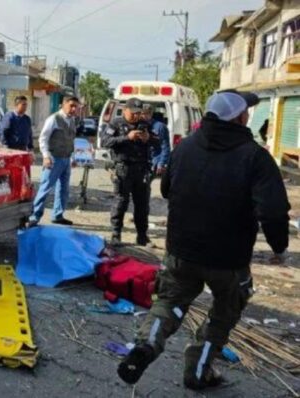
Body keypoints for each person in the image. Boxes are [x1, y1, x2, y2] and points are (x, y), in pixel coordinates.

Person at [117, 91, 290, 391]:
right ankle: (197, 371)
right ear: (238, 117)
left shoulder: (185, 148)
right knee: (224, 313)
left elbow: (167, 190)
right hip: (228, 258)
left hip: (182, 250)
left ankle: (146, 345)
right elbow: (273, 210)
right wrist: (279, 246)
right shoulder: (254, 156)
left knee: (170, 301)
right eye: (246, 111)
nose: (248, 115)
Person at [100, 98, 159, 246]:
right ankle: (116, 234)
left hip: (141, 169)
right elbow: (105, 141)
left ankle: (142, 236)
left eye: (138, 113)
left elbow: (158, 142)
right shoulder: (116, 124)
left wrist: (149, 138)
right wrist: (127, 137)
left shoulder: (144, 125)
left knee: (142, 204)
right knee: (120, 202)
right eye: (133, 113)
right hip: (123, 168)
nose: (135, 116)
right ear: (125, 110)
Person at [27, 96, 81, 227]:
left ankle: (58, 215)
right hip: (53, 159)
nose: (74, 109)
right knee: (45, 188)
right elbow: (43, 139)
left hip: (66, 159)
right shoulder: (54, 119)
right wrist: (46, 156)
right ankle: (34, 216)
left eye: (76, 106)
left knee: (63, 189)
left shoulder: (72, 121)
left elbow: (71, 140)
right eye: (71, 105)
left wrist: (72, 157)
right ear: (63, 104)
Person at [141, 105, 170, 177]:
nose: (143, 116)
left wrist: (161, 163)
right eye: (142, 114)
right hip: (141, 160)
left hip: (154, 160)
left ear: (151, 114)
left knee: (146, 183)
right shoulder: (137, 125)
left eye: (146, 113)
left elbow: (165, 146)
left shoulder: (160, 126)